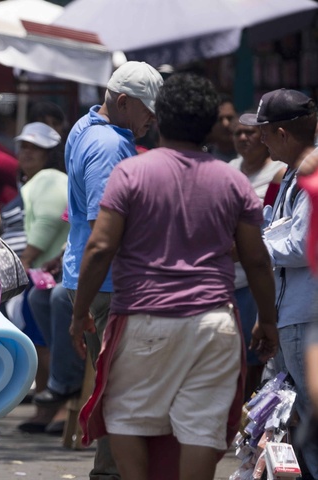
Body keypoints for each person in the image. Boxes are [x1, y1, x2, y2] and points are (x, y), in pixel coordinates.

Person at [70, 73, 278, 480]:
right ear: (211, 126)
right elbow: (256, 260)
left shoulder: (130, 174)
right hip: (215, 323)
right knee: (202, 427)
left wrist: (79, 315)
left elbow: (99, 247)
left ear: (160, 117)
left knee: (127, 418)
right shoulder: (233, 181)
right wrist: (267, 319)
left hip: (143, 319)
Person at [62, 60, 163, 480]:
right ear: (123, 102)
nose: (151, 122)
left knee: (116, 385)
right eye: (147, 112)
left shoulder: (86, 127)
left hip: (91, 278)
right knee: (122, 390)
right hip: (104, 282)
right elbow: (106, 235)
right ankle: (110, 473)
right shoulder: (107, 145)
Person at [240, 88, 318, 477]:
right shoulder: (291, 173)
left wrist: (253, 245)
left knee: (310, 414)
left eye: (264, 131)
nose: (259, 138)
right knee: (286, 414)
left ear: (283, 133)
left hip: (308, 316)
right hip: (289, 314)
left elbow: (302, 244)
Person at [10, 122, 81, 433]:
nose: (27, 152)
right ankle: (49, 404)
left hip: (44, 272)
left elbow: (50, 222)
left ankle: (63, 401)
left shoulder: (52, 178)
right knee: (40, 337)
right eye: (23, 145)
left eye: (35, 147)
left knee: (44, 339)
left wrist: (23, 262)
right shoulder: (36, 179)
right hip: (40, 274)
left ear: (50, 154)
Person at [228, 115, 287, 396]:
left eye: (250, 132)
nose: (243, 138)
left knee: (256, 358)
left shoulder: (280, 172)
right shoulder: (228, 171)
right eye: (237, 133)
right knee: (229, 359)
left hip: (257, 281)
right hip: (227, 282)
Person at [206, 94, 238, 161]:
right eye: (219, 119)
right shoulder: (204, 157)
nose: (226, 124)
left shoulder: (252, 158)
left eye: (230, 118)